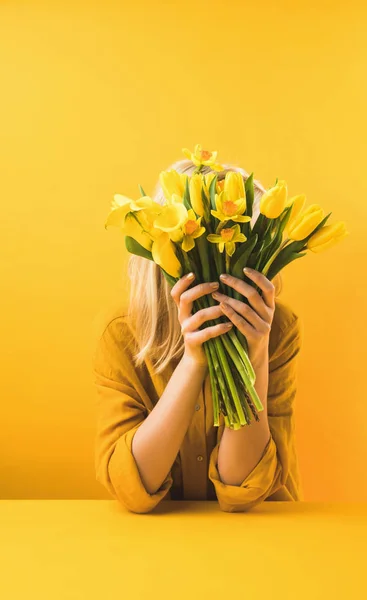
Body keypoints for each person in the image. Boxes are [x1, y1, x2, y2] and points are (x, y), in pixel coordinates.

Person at [92, 158, 304, 514]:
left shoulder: (278, 328)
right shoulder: (122, 332)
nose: (223, 268)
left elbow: (243, 489)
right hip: (160, 540)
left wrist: (253, 354)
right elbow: (132, 488)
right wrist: (193, 361)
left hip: (263, 532)